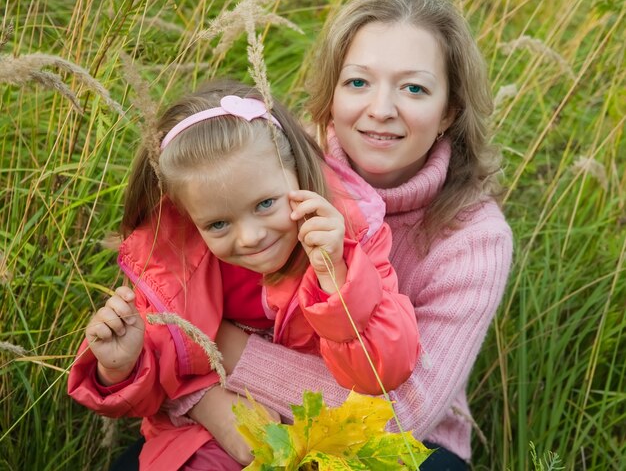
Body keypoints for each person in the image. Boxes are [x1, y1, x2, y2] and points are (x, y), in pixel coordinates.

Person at [204, 0, 513, 469]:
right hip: (244, 412)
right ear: (330, 93)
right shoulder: (277, 171)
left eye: (414, 88)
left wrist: (216, 348)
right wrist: (204, 401)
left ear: (448, 112)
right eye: (358, 83)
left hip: (402, 447)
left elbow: (400, 414)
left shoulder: (474, 237)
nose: (381, 109)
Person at [67, 79, 420, 470]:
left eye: (266, 203)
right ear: (188, 219)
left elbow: (383, 371)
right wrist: (120, 366)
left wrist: (336, 276)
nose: (250, 237)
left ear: (298, 173)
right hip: (208, 436)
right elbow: (160, 386)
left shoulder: (349, 238)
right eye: (218, 224)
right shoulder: (175, 269)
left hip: (326, 441)